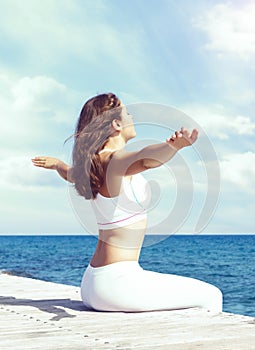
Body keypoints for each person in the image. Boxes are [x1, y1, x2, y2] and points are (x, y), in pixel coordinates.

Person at [32, 92, 223, 313]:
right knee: (211, 296)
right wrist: (174, 147)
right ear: (116, 124)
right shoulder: (113, 161)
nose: (132, 117)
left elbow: (68, 172)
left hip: (95, 282)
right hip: (116, 284)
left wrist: (56, 164)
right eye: (128, 113)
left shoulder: (91, 166)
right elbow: (144, 158)